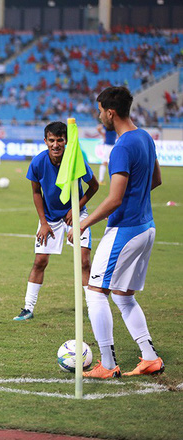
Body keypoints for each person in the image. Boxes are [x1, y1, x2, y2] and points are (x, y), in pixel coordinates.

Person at [68, 86, 163, 379]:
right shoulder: (145, 137)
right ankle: (150, 358)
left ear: (110, 112)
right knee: (123, 296)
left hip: (125, 230)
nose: (99, 115)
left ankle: (107, 365)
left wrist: (83, 223)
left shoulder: (121, 147)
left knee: (96, 293)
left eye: (100, 111)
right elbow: (156, 180)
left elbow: (114, 199)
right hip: (146, 227)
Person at [13, 121, 99, 321]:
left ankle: (92, 307)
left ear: (66, 141)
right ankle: (28, 308)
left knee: (84, 261)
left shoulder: (76, 161)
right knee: (39, 261)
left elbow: (94, 186)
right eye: (51, 140)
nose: (56, 144)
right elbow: (36, 192)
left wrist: (75, 209)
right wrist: (43, 222)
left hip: (76, 216)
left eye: (60, 140)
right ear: (45, 141)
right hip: (50, 219)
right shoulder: (38, 162)